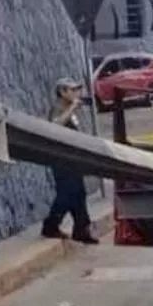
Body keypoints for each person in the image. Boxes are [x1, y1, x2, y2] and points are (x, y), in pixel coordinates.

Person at [41, 77, 98, 244]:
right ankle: (51, 225)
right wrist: (73, 107)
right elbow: (55, 126)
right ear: (62, 92)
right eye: (72, 90)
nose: (76, 93)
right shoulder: (58, 108)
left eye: (77, 89)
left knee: (79, 193)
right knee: (66, 194)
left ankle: (81, 229)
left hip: (72, 158)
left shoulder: (68, 109)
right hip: (61, 159)